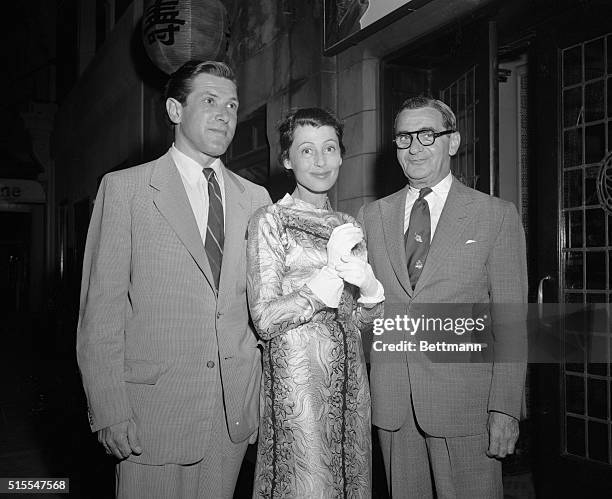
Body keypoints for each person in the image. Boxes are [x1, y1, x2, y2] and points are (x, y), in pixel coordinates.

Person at [76, 60, 271, 498]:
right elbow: (100, 313)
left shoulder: (256, 198)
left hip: (231, 417)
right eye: (209, 101)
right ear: (174, 110)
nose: (225, 114)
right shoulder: (126, 189)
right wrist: (109, 409)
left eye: (232, 105)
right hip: (152, 417)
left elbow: (262, 306)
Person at [359, 96, 527, 498]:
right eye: (404, 138)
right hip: (394, 402)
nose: (414, 147)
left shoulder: (495, 215)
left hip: (466, 404)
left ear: (453, 142)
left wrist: (504, 407)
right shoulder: (372, 216)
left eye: (427, 135)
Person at [246, 107, 384, 498]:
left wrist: (372, 292)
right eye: (306, 151)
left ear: (341, 154)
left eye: (329, 148)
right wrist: (320, 288)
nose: (321, 161)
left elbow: (364, 326)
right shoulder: (271, 220)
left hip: (353, 388)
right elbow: (265, 319)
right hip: (299, 389)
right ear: (287, 160)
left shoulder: (350, 225)